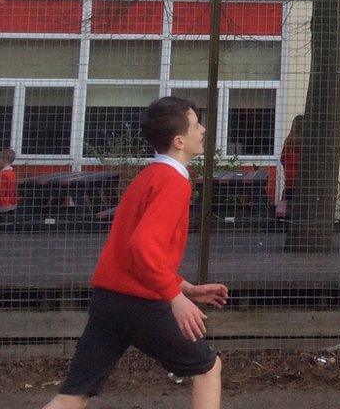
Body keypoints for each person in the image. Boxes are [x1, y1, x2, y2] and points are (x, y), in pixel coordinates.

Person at [40, 96, 227, 409]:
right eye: (197, 124)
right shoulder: (174, 182)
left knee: (74, 395)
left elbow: (134, 251)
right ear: (179, 140)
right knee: (208, 368)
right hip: (140, 303)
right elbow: (143, 246)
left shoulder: (148, 177)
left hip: (108, 301)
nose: (203, 130)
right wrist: (174, 296)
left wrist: (186, 288)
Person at [278, 114, 303, 219]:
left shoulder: (288, 140)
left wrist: (287, 168)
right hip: (301, 177)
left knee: (288, 198)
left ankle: (286, 220)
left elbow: (282, 159)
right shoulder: (306, 141)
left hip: (289, 177)